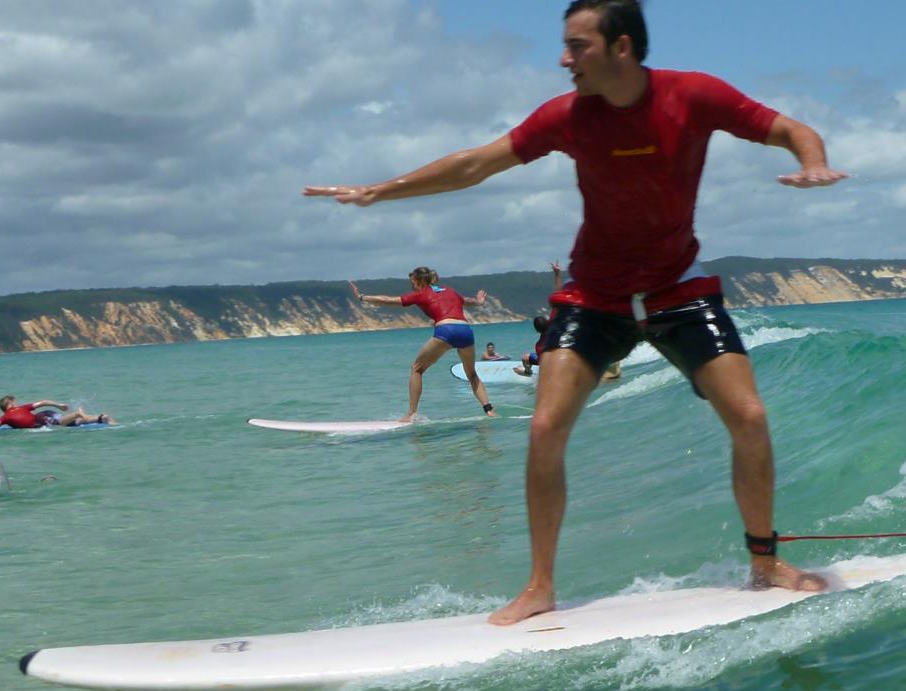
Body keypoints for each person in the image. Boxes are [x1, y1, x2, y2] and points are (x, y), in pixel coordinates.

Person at [305, 0, 847, 625]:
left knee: (749, 416)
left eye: (577, 46)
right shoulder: (568, 115)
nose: (564, 59)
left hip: (678, 289)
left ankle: (765, 563)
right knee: (545, 427)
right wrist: (381, 190)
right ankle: (540, 586)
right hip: (595, 297)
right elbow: (477, 162)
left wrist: (812, 163)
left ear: (622, 47)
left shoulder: (693, 95)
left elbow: (789, 128)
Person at [350, 267, 496, 421]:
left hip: (446, 330)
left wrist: (362, 297)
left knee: (417, 369)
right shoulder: (449, 290)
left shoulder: (420, 293)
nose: (412, 286)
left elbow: (387, 300)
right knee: (472, 374)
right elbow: (470, 301)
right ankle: (489, 410)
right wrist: (480, 301)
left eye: (413, 283)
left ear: (420, 281)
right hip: (465, 330)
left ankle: (411, 414)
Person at [0, 395, 115, 431]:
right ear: (11, 404)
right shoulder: (22, 408)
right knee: (73, 423)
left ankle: (77, 413)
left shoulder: (5, 416)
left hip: (42, 419)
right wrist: (59, 405)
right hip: (45, 414)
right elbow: (43, 402)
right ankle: (102, 418)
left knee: (60, 423)